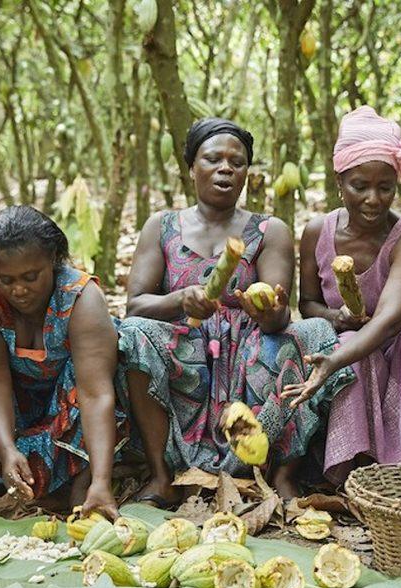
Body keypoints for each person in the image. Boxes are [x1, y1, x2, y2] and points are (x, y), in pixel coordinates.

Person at [119, 117, 351, 502]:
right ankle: (161, 474)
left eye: (237, 162)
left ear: (246, 172)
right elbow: (136, 306)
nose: (226, 168)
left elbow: (281, 316)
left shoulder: (269, 229)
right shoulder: (161, 226)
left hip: (249, 348)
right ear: (191, 167)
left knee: (315, 334)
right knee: (131, 336)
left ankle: (281, 473)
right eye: (213, 159)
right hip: (185, 349)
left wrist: (267, 312)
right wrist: (180, 299)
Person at [281, 106, 401, 482]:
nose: (373, 199)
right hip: (352, 347)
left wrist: (333, 361)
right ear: (339, 183)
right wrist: (336, 318)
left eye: (385, 188)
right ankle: (356, 477)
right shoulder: (318, 232)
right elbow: (307, 303)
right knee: (351, 344)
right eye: (359, 186)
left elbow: (391, 319)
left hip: (398, 350)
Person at [0, 205, 125, 518]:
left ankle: (85, 485)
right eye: (5, 279)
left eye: (31, 277)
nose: (18, 290)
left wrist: (103, 480)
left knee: (110, 361)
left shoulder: (80, 297)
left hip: (71, 403)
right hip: (14, 402)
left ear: (54, 262)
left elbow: (96, 393)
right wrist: (6, 450)